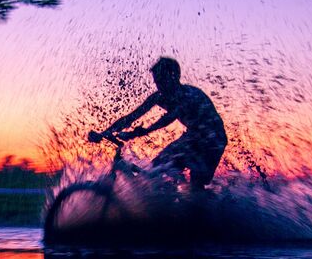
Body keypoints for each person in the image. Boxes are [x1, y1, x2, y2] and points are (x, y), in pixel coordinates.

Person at [95, 57, 228, 191]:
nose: (159, 85)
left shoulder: (188, 94)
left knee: (196, 181)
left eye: (162, 80)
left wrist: (144, 131)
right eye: (156, 81)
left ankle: (209, 208)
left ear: (174, 77)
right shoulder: (159, 96)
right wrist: (105, 132)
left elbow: (169, 118)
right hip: (192, 137)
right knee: (157, 168)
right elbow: (131, 117)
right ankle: (168, 202)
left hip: (214, 140)